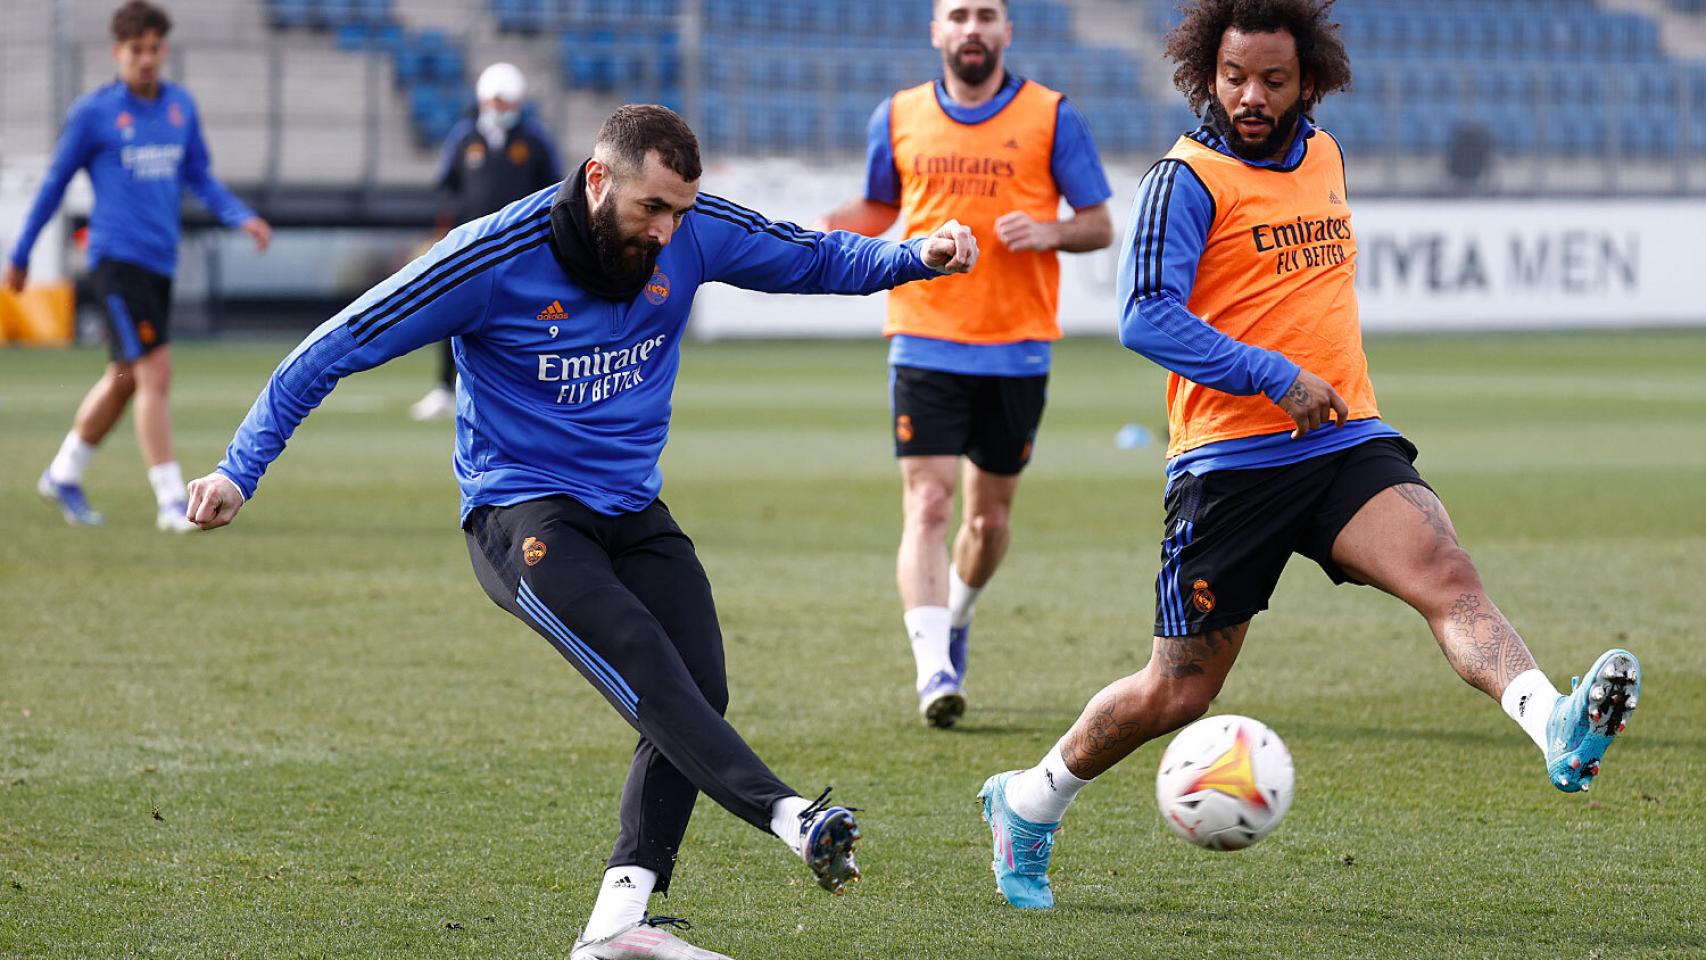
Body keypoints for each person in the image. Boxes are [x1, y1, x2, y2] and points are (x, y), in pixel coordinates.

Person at [184, 105, 978, 959]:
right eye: (652, 210)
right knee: (639, 650)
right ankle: (790, 814)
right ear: (599, 179)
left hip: (631, 507)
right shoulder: (492, 257)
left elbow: (810, 255)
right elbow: (336, 344)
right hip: (519, 512)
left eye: (681, 211)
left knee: (696, 687)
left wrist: (913, 257)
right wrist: (240, 467)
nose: (670, 233)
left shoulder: (693, 229)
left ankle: (617, 925)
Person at [975, 0, 1642, 910]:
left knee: (1447, 572)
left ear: (1309, 79)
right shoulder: (1185, 178)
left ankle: (1552, 722)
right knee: (1177, 692)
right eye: (1235, 77)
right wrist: (1271, 374)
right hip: (1229, 465)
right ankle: (1028, 802)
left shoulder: (1324, 153)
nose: (1252, 96)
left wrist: (1311, 388)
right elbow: (1145, 316)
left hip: (1342, 441)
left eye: (1274, 80)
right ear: (1206, 73)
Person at [818, 0, 1113, 728]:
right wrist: (819, 233)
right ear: (937, 31)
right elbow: (881, 208)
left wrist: (1048, 231)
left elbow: (1100, 223)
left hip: (1017, 347)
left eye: (987, 14)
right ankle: (934, 670)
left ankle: (956, 615)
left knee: (986, 523)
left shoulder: (1052, 114)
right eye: (959, 14)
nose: (973, 27)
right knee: (928, 505)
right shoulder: (897, 115)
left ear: (1007, 31)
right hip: (924, 334)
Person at [5, 0, 271, 532]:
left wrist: (240, 216)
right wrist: (20, 253)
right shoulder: (94, 113)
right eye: (136, 50)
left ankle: (63, 472)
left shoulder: (179, 107)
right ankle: (172, 499)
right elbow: (54, 184)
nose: (146, 59)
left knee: (125, 378)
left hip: (158, 264)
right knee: (156, 372)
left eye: (154, 49)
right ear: (117, 52)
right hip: (115, 260)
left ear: (163, 49)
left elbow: (199, 174)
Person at [410, 61, 563, 422]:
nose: (502, 110)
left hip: (520, 249)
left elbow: (554, 190)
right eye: (496, 102)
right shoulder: (464, 138)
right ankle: (445, 388)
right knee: (454, 315)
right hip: (471, 249)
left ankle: (527, 393)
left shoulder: (535, 140)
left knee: (527, 320)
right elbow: (446, 186)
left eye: (508, 103)